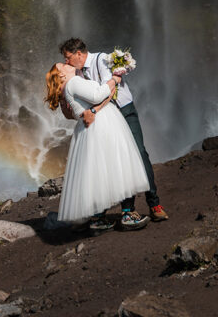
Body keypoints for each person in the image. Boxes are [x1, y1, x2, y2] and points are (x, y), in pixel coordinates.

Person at [59, 37, 168, 230]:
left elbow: (107, 92)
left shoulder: (102, 60)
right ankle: (118, 211)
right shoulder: (75, 74)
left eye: (68, 57)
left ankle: (154, 203)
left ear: (78, 53)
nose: (66, 61)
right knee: (110, 161)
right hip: (104, 119)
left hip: (123, 112)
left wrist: (91, 111)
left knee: (139, 154)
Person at [45, 61, 149, 226]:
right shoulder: (73, 82)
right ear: (62, 75)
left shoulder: (68, 87)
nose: (67, 63)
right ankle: (127, 215)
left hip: (88, 129)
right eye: (62, 65)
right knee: (119, 163)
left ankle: (98, 218)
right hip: (103, 124)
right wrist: (115, 79)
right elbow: (97, 95)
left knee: (99, 172)